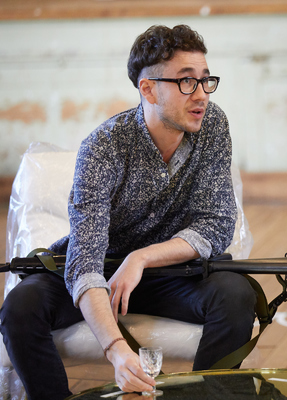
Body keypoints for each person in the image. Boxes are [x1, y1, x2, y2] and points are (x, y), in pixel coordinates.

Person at [0, 24, 257, 400]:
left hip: (169, 271)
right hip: (101, 267)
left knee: (236, 295)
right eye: (187, 82)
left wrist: (142, 258)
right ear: (148, 88)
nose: (201, 94)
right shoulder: (103, 146)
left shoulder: (213, 124)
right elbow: (84, 259)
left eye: (206, 80)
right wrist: (117, 351)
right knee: (20, 306)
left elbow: (216, 225)